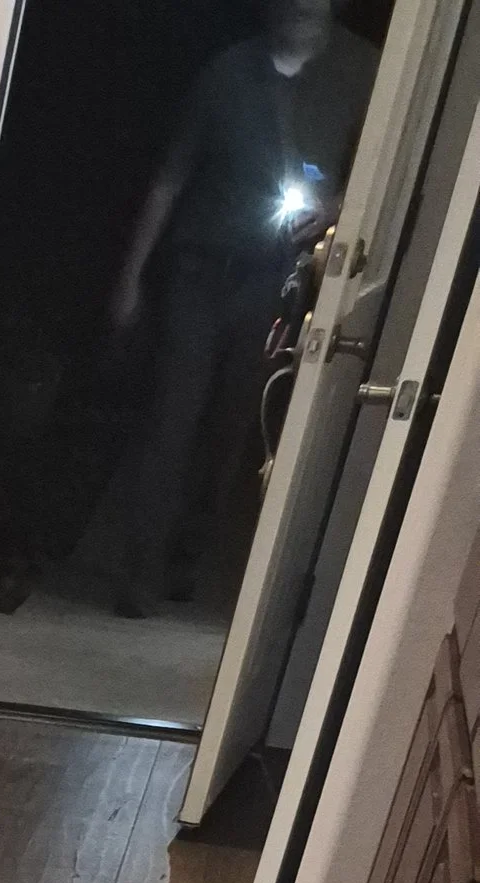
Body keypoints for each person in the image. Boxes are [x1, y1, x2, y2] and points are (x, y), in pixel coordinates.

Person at [109, 0, 378, 615]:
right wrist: (130, 277)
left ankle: (187, 560)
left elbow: (389, 165)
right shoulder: (227, 71)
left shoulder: (364, 71)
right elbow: (170, 176)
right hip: (200, 268)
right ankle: (137, 574)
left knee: (234, 424)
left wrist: (338, 207)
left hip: (277, 280)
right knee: (170, 419)